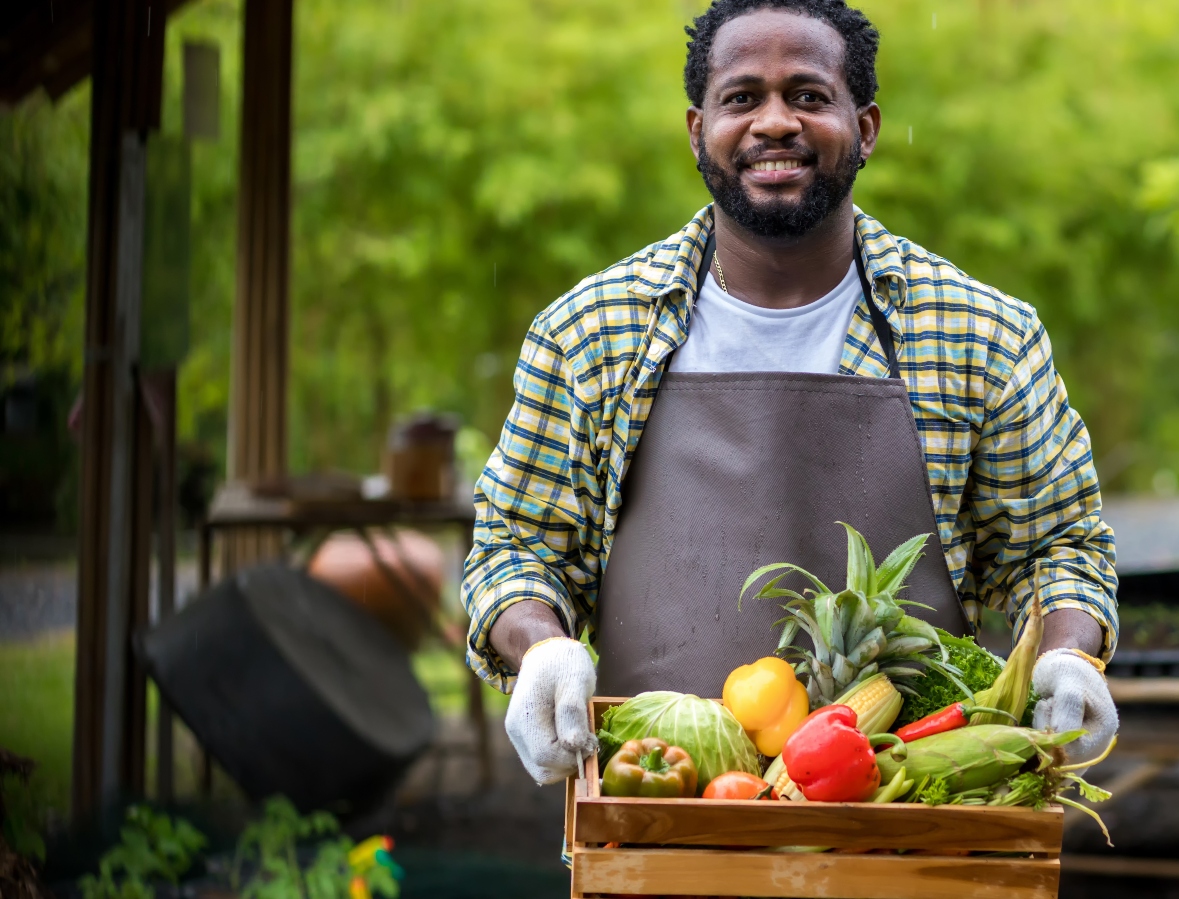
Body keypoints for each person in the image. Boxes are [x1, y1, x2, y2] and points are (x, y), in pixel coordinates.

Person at [462, 0, 1119, 786]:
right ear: (696, 128)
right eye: (742, 98)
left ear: (867, 127)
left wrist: (1068, 654)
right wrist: (540, 646)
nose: (775, 123)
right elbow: (518, 544)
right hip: (653, 799)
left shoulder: (982, 334)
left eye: (808, 96)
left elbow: (1058, 544)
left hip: (915, 806)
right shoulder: (592, 331)